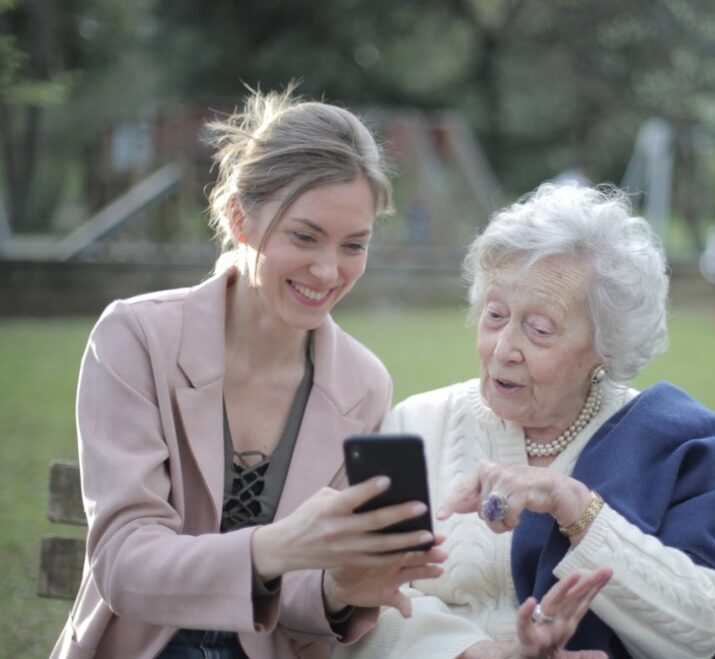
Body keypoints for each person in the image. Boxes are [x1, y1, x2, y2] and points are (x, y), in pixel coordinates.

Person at [52, 87, 446, 659]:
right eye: (304, 236)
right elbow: (123, 563)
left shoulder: (363, 383)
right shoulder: (136, 338)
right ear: (240, 218)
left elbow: (299, 596)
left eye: (354, 245)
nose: (328, 270)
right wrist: (272, 547)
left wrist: (339, 588)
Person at [339, 184, 715, 658]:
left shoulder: (678, 442)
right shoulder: (417, 425)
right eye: (495, 316)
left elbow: (706, 626)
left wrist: (575, 506)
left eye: (539, 330)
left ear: (607, 345)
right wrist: (479, 653)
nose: (503, 350)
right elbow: (357, 605)